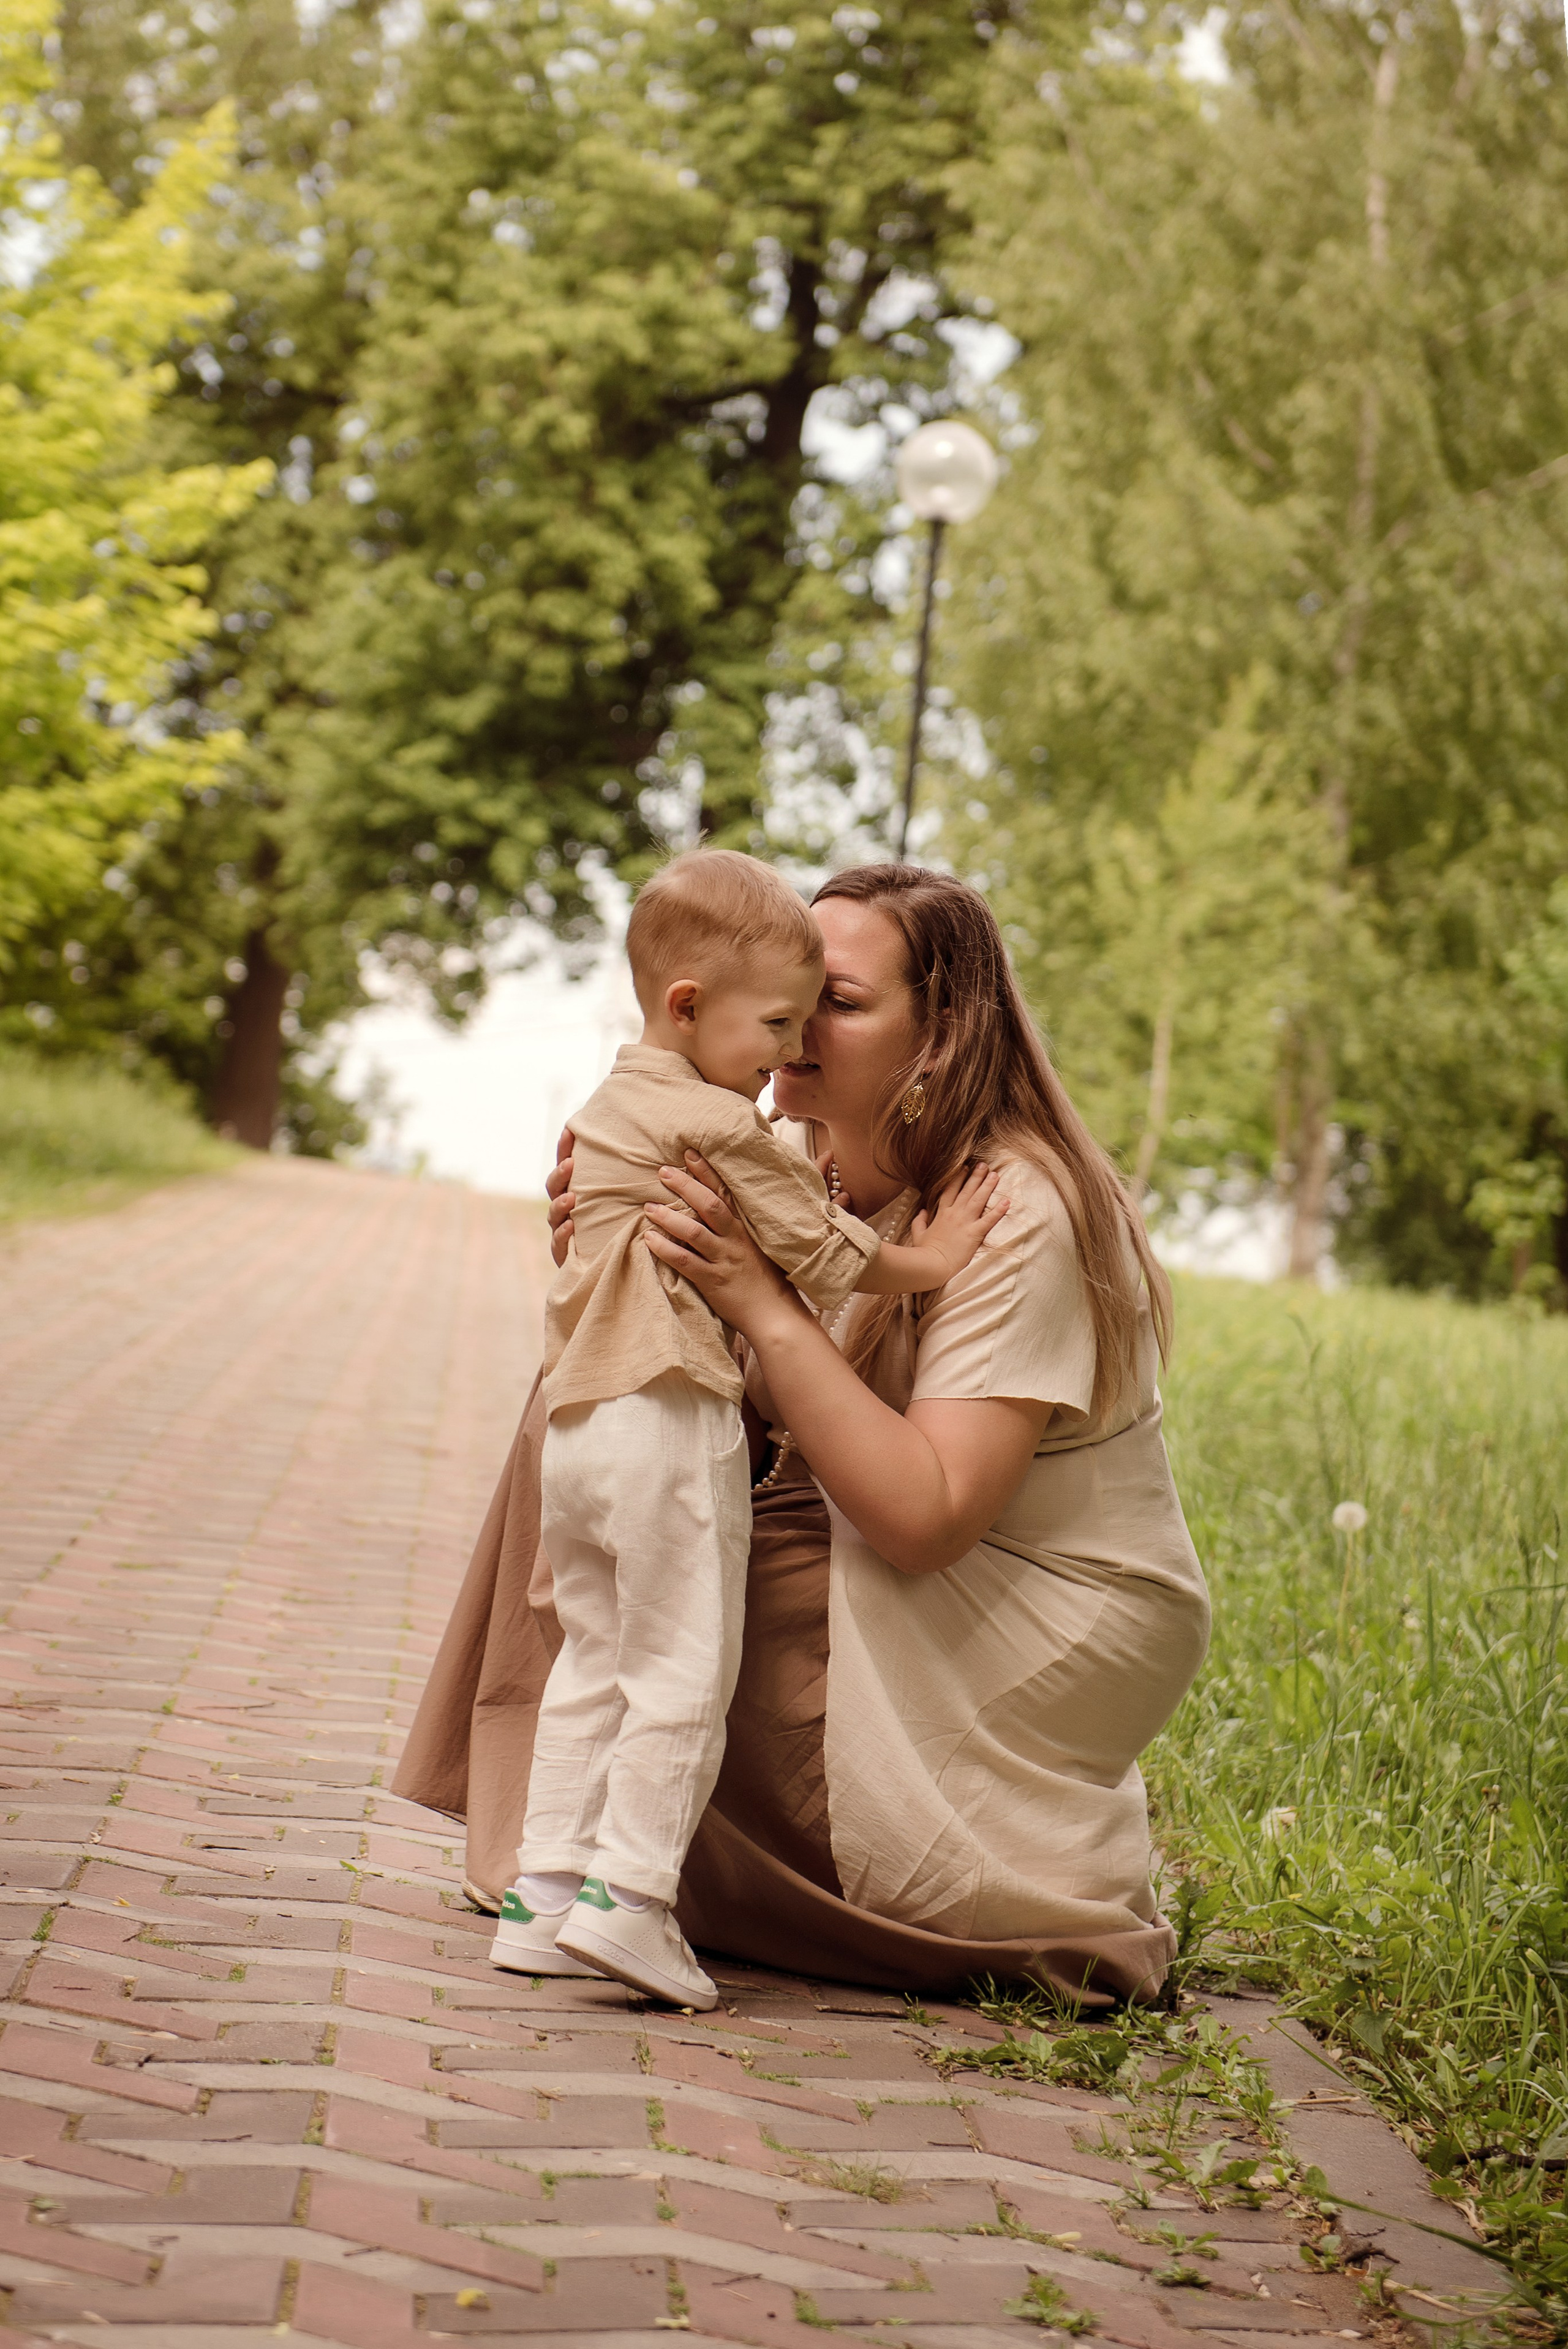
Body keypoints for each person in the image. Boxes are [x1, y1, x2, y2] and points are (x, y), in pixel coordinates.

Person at [394, 864, 1210, 2008]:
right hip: (860, 1548)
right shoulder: (792, 1158)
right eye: (783, 987)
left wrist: (759, 1302)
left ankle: (624, 1878)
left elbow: (926, 1516)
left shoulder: (1016, 1208)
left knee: (666, 1581)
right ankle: (568, 1865)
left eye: (839, 999)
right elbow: (738, 1408)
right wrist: (629, 1263)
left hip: (1016, 1614)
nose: (794, 1023)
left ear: (944, 1037)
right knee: (594, 1408)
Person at [501, 850, 1006, 2011]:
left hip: (577, 1425)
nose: (786, 1052)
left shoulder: (608, 1107)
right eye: (778, 1021)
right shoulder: (718, 1126)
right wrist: (935, 1256)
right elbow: (823, 1249)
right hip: (665, 1419)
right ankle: (630, 1904)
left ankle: (542, 1894)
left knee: (593, 1659)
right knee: (682, 1665)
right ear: (690, 1007)